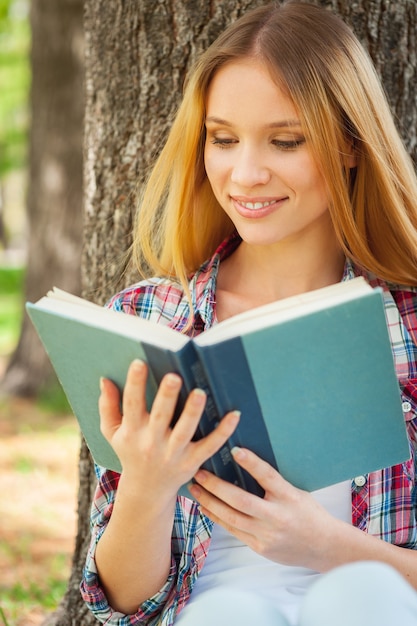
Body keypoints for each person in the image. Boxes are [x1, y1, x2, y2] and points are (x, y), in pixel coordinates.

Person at [80, 1, 417, 624]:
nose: (245, 173)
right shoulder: (150, 318)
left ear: (349, 145)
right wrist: (148, 487)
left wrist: (330, 549)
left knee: (360, 594)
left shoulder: (407, 322)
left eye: (285, 141)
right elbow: (124, 604)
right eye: (224, 139)